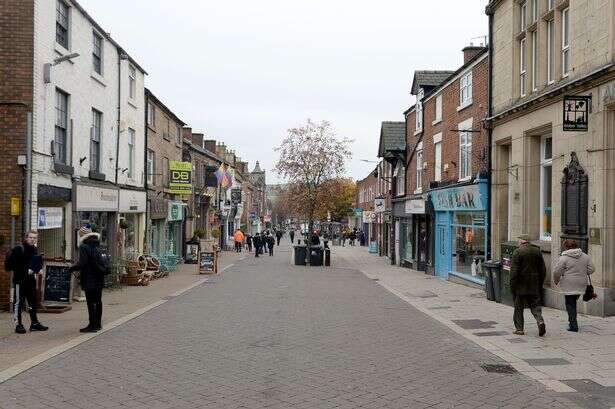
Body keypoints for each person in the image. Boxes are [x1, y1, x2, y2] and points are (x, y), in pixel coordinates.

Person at [4, 230, 48, 334]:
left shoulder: (34, 249)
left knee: (32, 302)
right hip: (20, 280)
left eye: (35, 238)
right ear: (26, 238)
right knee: (18, 303)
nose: (33, 240)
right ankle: (18, 325)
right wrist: (26, 270)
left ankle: (34, 323)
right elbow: (11, 266)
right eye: (31, 237)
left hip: (31, 280)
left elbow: (35, 262)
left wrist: (39, 269)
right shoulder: (19, 249)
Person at [69, 226, 107, 333]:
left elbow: (83, 263)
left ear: (82, 235)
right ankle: (98, 324)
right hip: (99, 276)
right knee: (98, 301)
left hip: (89, 277)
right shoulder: (97, 244)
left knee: (91, 302)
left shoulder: (84, 246)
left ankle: (92, 325)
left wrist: (72, 268)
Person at [553, 239, 595, 332]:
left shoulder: (564, 258)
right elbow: (592, 269)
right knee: (573, 302)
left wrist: (556, 280)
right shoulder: (585, 256)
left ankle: (573, 325)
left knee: (570, 304)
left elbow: (557, 271)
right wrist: (582, 272)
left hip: (569, 283)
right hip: (581, 283)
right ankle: (572, 321)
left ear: (566, 247)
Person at [510, 234, 546, 337]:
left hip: (521, 285)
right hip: (534, 283)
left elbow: (514, 271)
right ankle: (540, 321)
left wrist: (512, 285)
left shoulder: (518, 252)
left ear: (522, 241)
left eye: (518, 240)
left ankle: (519, 329)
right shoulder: (537, 251)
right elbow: (543, 270)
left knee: (518, 307)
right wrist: (540, 283)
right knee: (535, 305)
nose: (518, 242)